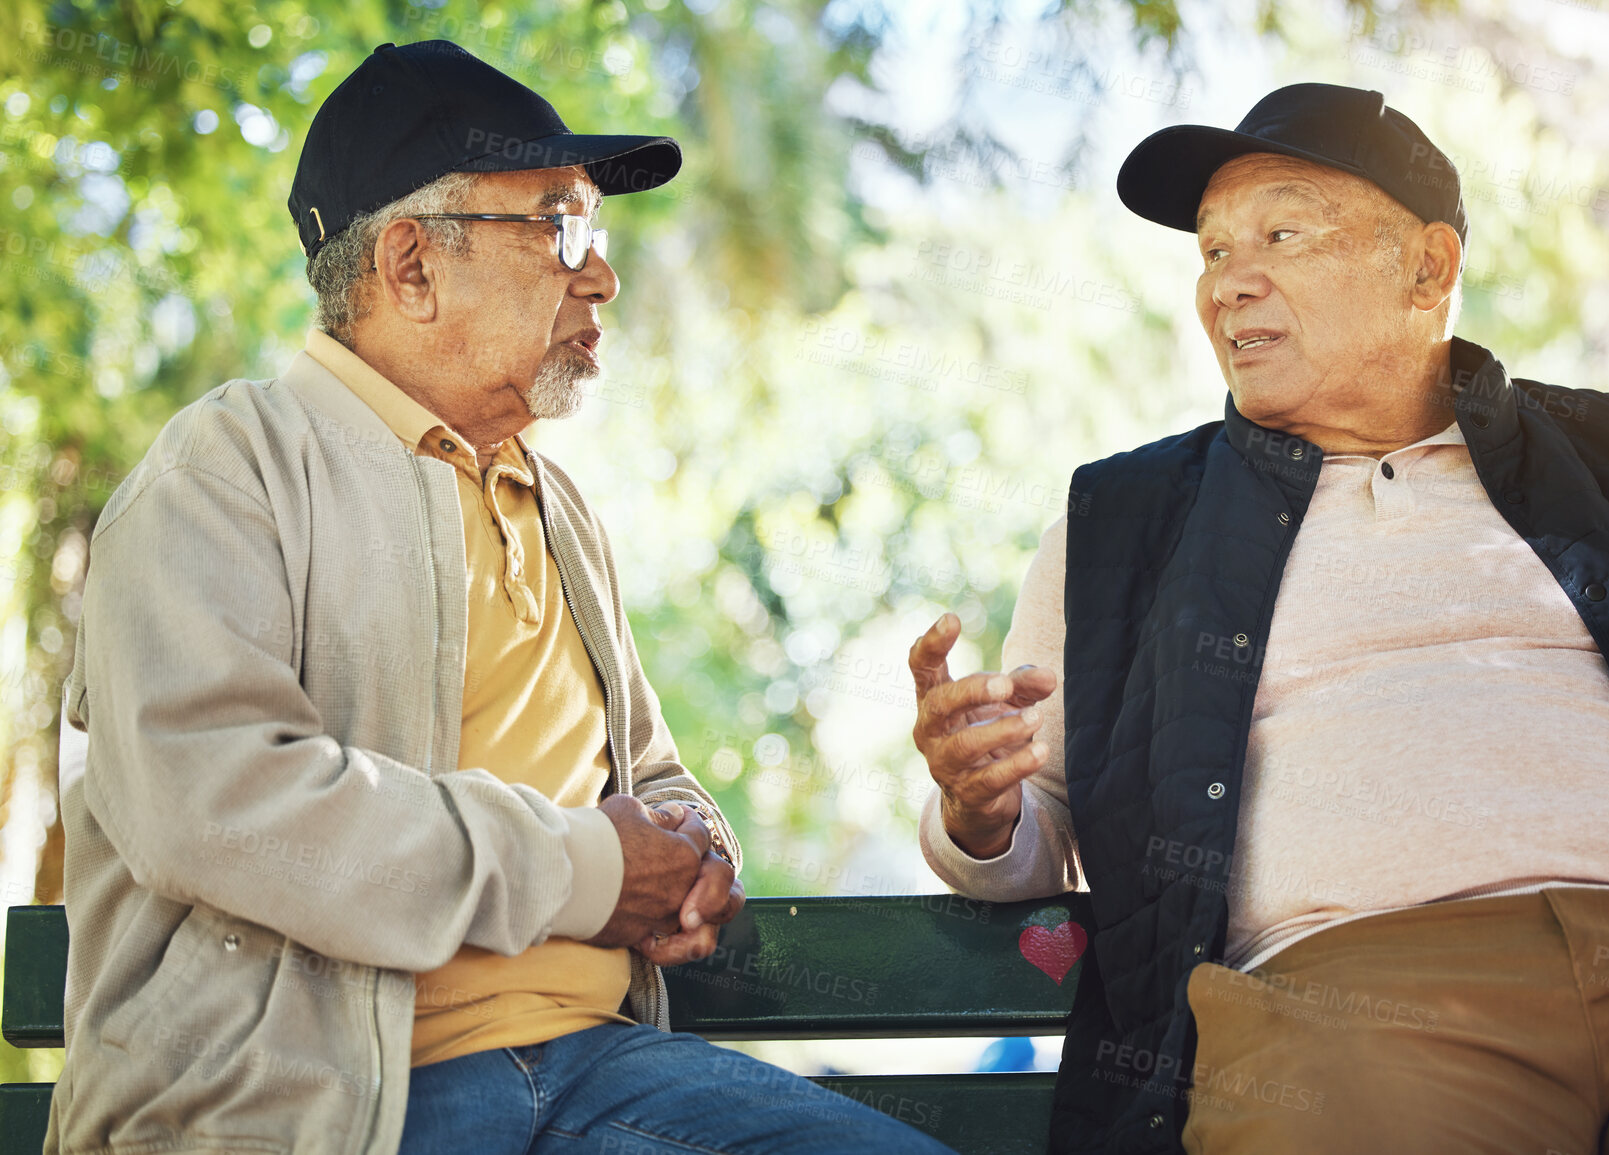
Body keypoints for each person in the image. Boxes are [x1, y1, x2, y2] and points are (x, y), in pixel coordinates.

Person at [51, 40, 954, 1155]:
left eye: (596, 233)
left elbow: (647, 774)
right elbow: (219, 800)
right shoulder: (225, 473)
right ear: (412, 267)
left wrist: (688, 856)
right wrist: (584, 869)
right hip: (326, 1108)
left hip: (602, 1069)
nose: (601, 276)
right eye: (559, 226)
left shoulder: (552, 500)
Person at [910, 82, 1609, 1154]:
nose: (1228, 284)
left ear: (1427, 267)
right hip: (1356, 1005)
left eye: (1282, 233)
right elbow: (1044, 833)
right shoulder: (1127, 521)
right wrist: (981, 810)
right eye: (1210, 252)